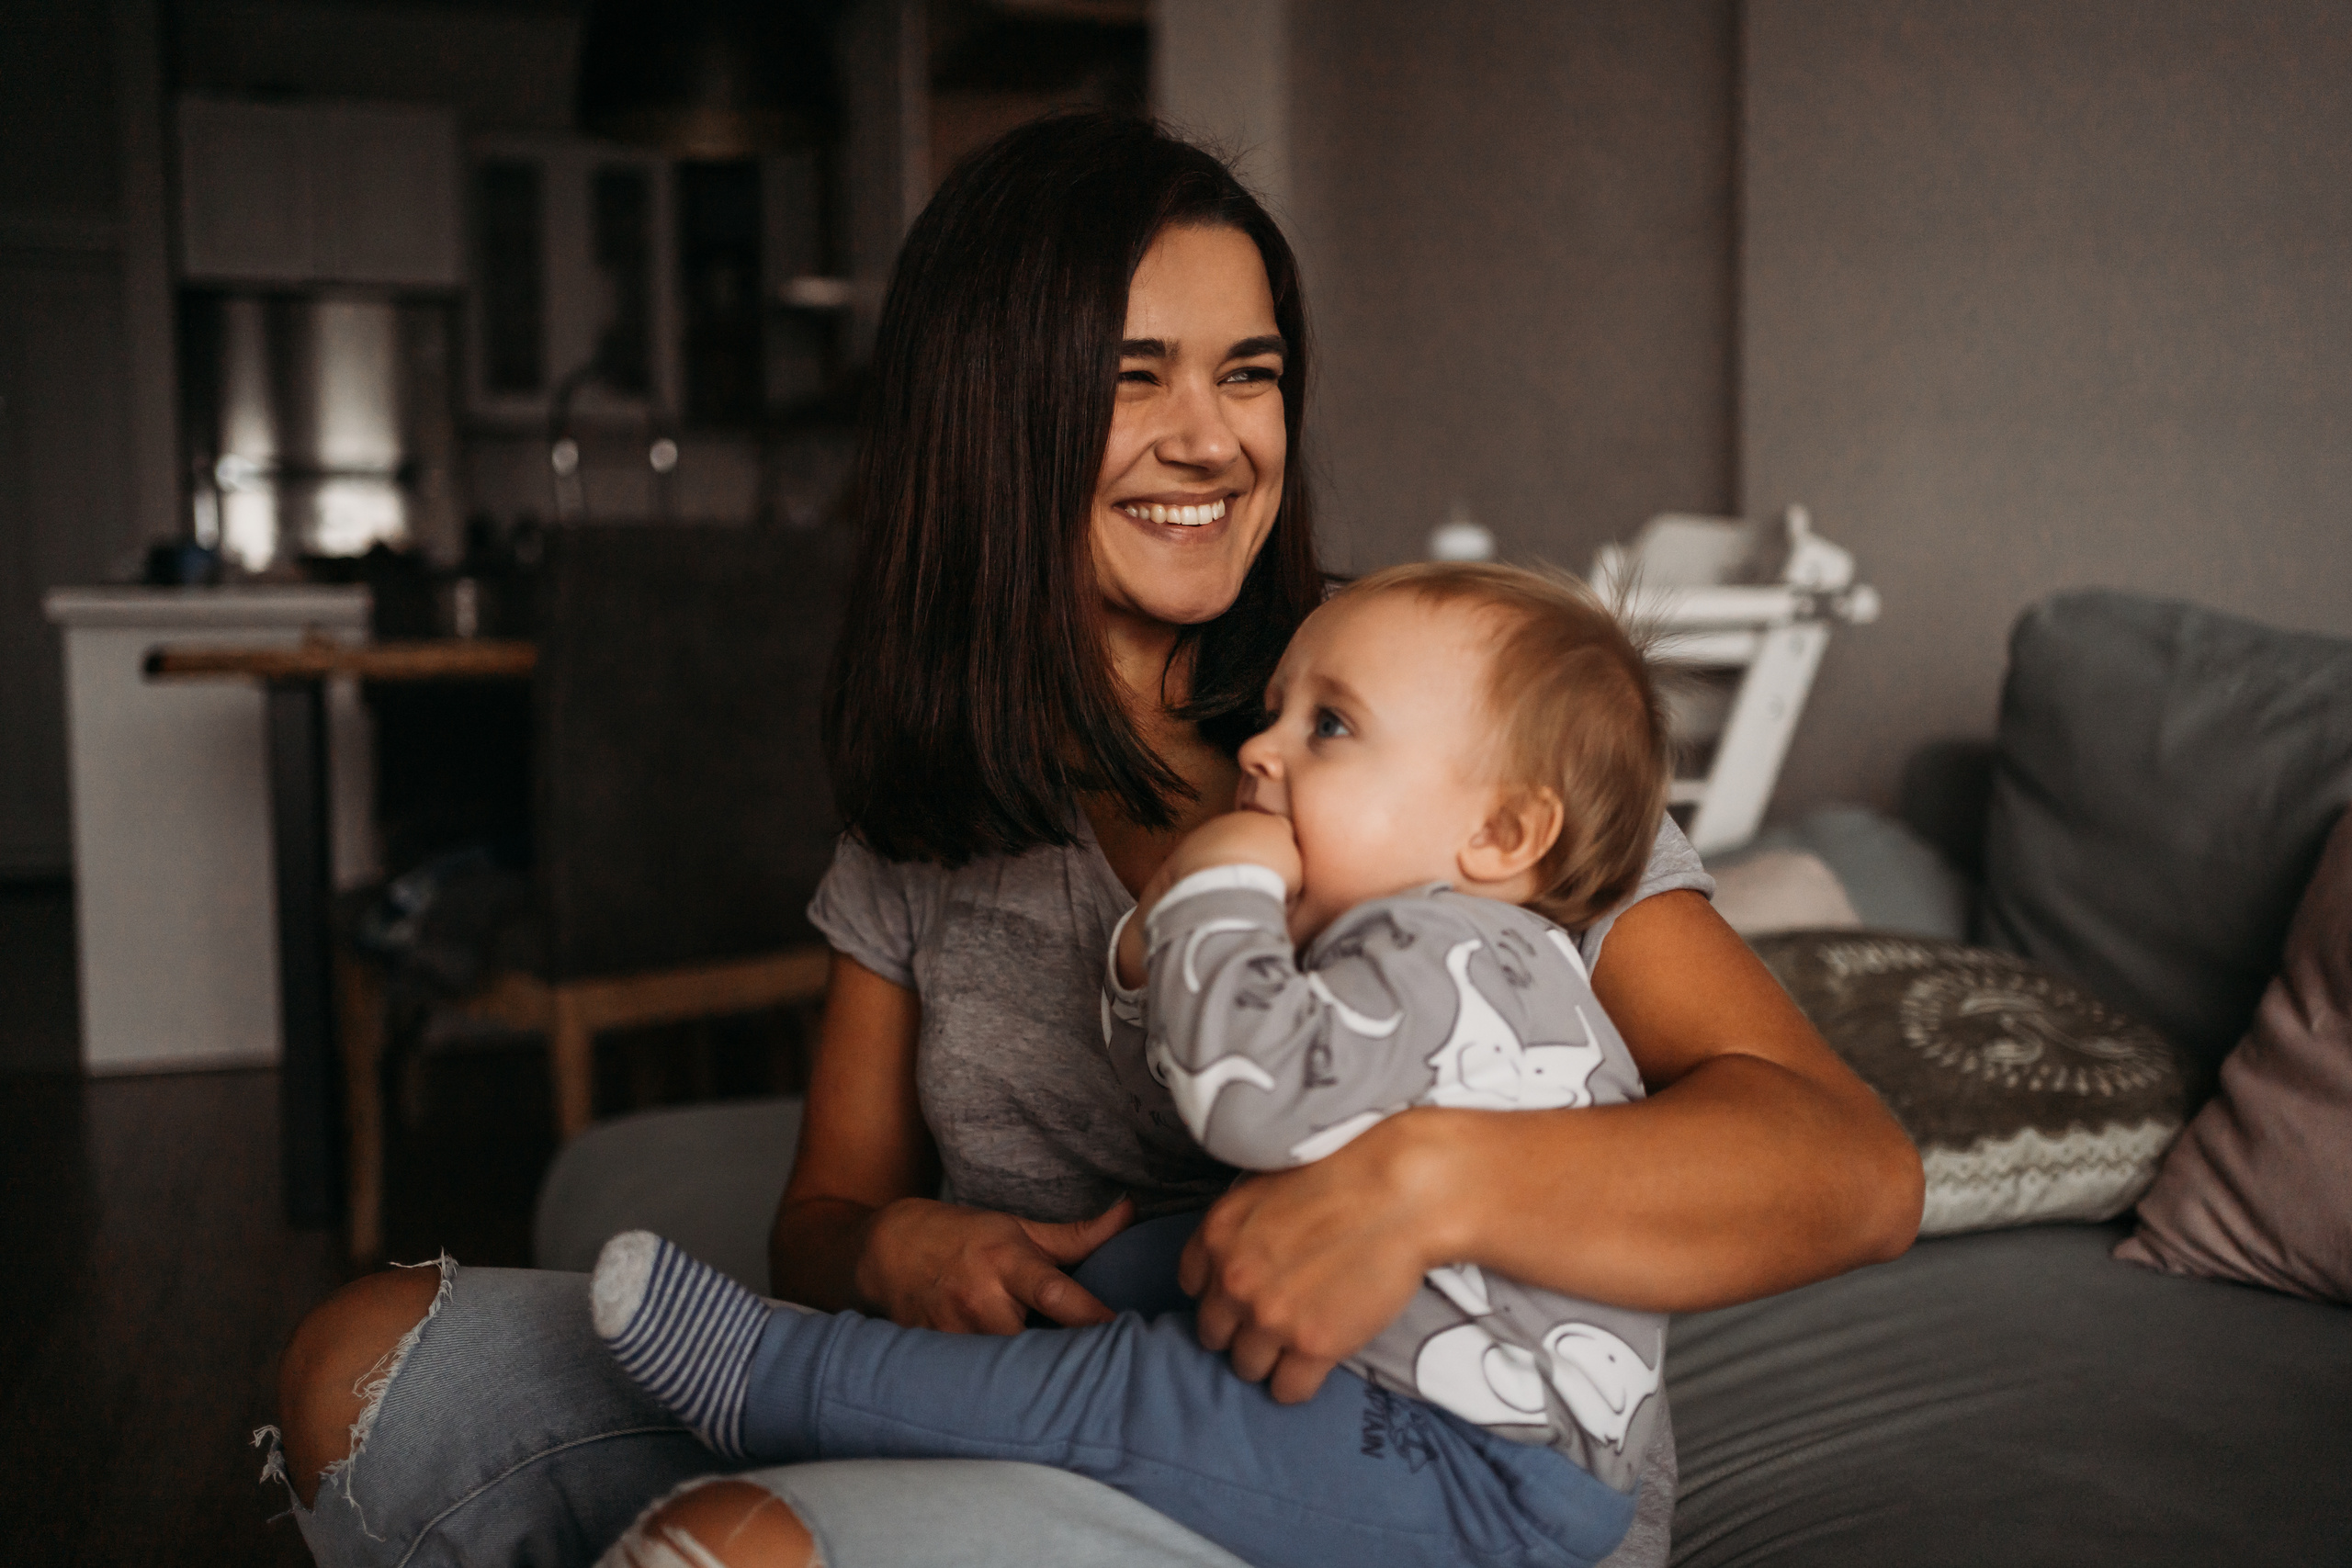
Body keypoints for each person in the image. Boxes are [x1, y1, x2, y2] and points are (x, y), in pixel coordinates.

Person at [274, 113, 1922, 1568]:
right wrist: (896, 1246)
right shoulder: (931, 810)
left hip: (1385, 1485)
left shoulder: (1442, 714)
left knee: (738, 1546)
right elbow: (824, 1215)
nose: (1212, 437)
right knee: (370, 1365)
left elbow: (1848, 1169)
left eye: (1248, 373)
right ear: (990, 415)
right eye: (1133, 378)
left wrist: (1424, 1182)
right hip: (1026, 1403)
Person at [590, 562, 1680, 1568]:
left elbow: (1244, 1101)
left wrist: (1215, 889)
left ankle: (779, 1380)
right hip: (1472, 1425)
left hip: (1462, 1460)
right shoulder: (1482, 956)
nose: (1260, 752)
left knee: (1134, 1387)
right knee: (1160, 1261)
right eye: (1275, 713)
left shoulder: (1435, 950)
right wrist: (1148, 951)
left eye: (1330, 726)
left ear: (1502, 833)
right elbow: (1198, 1063)